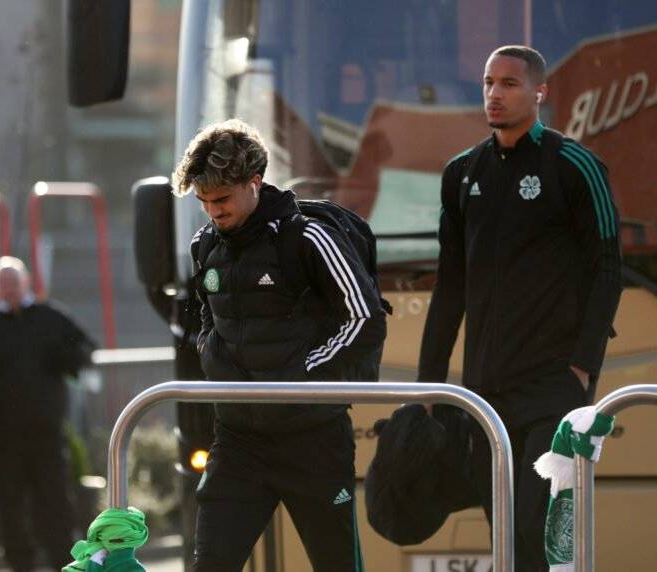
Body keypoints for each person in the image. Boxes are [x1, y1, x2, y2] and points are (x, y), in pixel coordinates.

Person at [417, 45, 622, 570]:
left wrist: (583, 368)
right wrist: (429, 386)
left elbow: (607, 270)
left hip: (553, 385)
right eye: (488, 82)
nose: (495, 93)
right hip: (484, 390)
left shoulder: (574, 165)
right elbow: (450, 287)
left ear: (539, 92)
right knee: (506, 537)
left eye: (509, 84)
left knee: (537, 526)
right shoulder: (461, 173)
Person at [171, 119, 387, 572]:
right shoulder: (204, 245)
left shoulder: (309, 237)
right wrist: (213, 356)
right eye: (204, 201)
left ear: (254, 183)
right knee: (210, 564)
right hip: (238, 441)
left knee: (337, 565)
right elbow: (209, 315)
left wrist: (302, 377)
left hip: (313, 438)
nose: (213, 211)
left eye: (222, 199)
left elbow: (364, 319)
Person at [0, 256, 95, 572]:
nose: (8, 289)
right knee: (10, 507)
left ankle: (64, 563)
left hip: (47, 435)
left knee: (55, 504)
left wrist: (64, 357)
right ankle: (20, 565)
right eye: (2, 284)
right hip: (3, 440)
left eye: (13, 282)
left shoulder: (51, 318)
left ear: (25, 282)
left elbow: (85, 348)